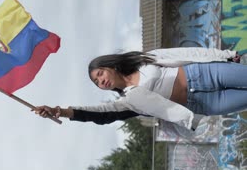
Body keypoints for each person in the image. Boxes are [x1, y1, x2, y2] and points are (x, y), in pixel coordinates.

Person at [34, 47, 247, 131]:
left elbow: (181, 52)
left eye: (100, 74)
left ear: (109, 66)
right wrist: (61, 111)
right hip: (203, 104)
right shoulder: (128, 102)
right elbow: (99, 114)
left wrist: (224, 55)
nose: (101, 81)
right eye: (97, 82)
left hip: (202, 74)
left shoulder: (142, 60)